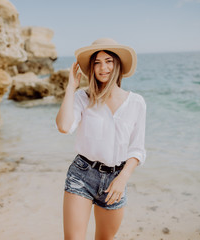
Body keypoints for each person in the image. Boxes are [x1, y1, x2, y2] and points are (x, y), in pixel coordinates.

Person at [55, 38, 146, 240]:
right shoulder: (82, 98)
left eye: (108, 61)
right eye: (97, 63)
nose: (103, 67)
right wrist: (71, 87)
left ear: (118, 65)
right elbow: (63, 126)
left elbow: (137, 149)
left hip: (116, 180)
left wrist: (122, 180)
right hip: (82, 175)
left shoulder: (136, 103)